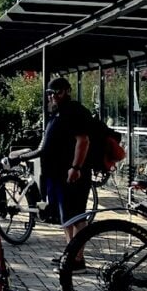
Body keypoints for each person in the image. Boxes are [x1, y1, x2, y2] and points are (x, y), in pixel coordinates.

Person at [41, 76, 92, 271]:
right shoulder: (58, 112)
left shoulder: (74, 111)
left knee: (77, 217)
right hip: (58, 174)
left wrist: (76, 167)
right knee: (66, 217)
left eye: (58, 92)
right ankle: (70, 254)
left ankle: (78, 260)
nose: (53, 96)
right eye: (51, 93)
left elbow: (83, 141)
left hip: (73, 174)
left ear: (67, 91)